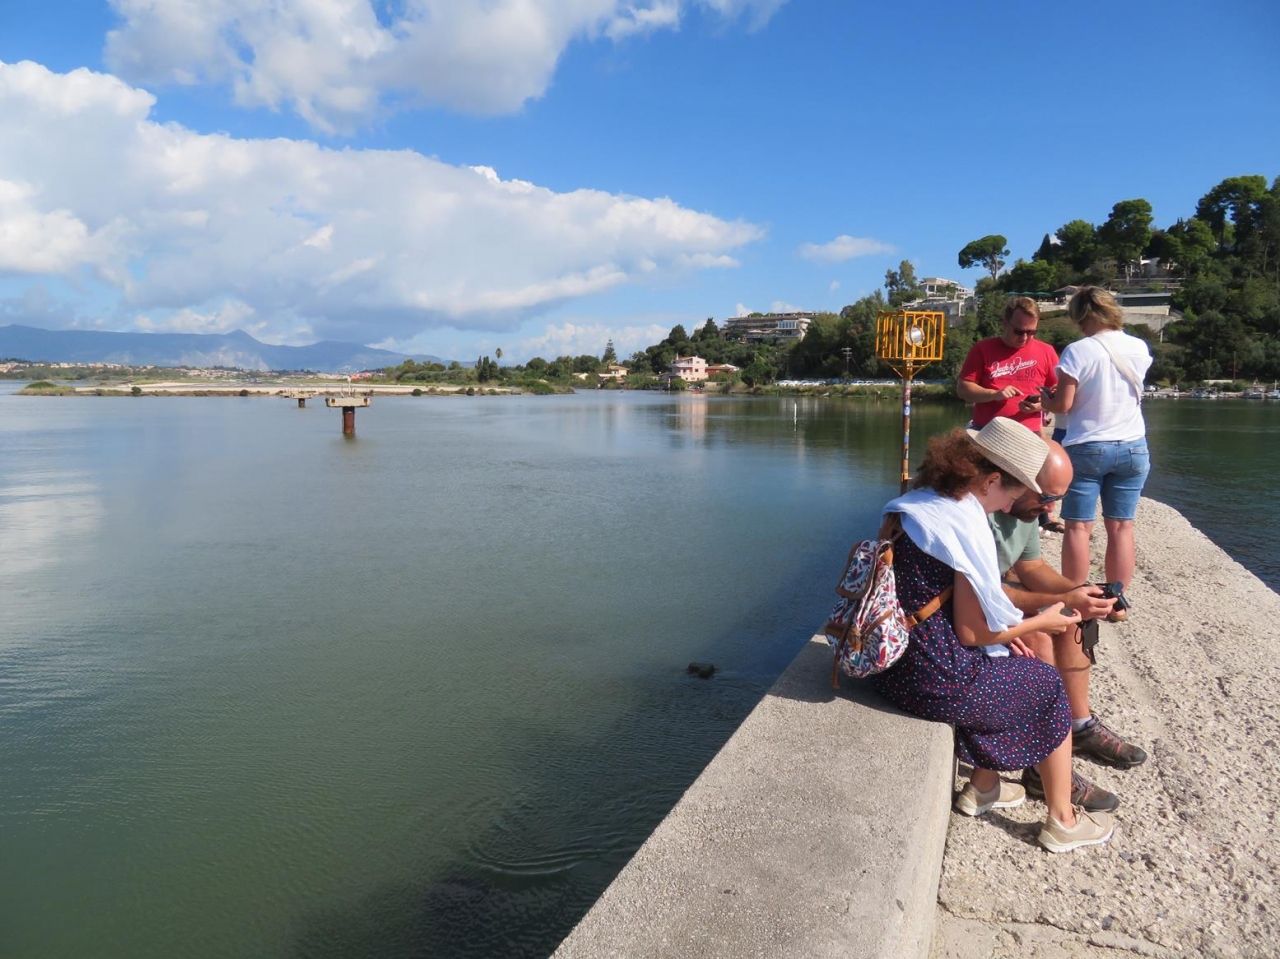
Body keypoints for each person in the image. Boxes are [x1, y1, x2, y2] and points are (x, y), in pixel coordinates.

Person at [873, 418, 1115, 853]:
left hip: (891, 665)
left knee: (1014, 662)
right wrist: (1042, 623)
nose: (1010, 505)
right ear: (990, 481)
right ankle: (1063, 820)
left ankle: (983, 787)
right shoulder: (966, 525)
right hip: (929, 681)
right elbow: (971, 633)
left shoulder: (920, 505)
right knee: (1046, 684)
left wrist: (1012, 632)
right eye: (1014, 493)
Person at [990, 440, 1149, 811]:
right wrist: (1052, 606)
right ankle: (1040, 764)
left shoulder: (1025, 510)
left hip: (993, 599)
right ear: (1015, 480)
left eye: (1057, 499)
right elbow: (981, 590)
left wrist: (1078, 594)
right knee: (1038, 635)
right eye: (1046, 497)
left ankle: (1079, 726)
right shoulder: (983, 510)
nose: (1051, 509)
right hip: (965, 612)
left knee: (1075, 619)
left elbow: (1031, 567)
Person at [1042, 286, 1153, 601]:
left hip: (1088, 446)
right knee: (1121, 527)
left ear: (1080, 316)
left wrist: (1045, 401)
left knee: (1078, 527)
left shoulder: (1078, 350)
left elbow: (1063, 406)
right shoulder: (1139, 346)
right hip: (1133, 446)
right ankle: (1117, 600)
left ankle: (1077, 602)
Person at [956, 296, 1059, 433]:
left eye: (1031, 332)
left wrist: (1041, 406)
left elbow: (1060, 395)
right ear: (1005, 324)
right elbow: (963, 389)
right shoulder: (982, 349)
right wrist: (994, 394)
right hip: (987, 433)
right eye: (1019, 332)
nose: (1024, 338)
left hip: (1030, 434)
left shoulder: (1046, 351)